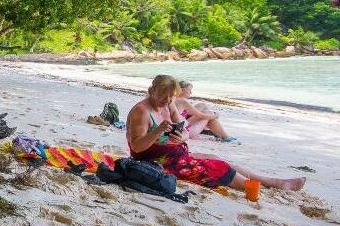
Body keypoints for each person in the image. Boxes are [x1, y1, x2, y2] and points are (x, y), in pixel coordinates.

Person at [126, 75, 305, 191]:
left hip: (174, 154)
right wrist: (158, 131)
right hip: (155, 162)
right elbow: (137, 147)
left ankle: (272, 182)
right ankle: (257, 187)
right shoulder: (142, 111)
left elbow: (184, 129)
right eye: (162, 95)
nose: (167, 100)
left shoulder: (169, 103)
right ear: (151, 91)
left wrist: (182, 137)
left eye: (171, 96)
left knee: (216, 158)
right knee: (218, 168)